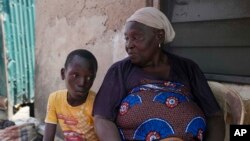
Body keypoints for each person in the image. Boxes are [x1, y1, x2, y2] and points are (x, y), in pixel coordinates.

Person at [93, 7, 225, 141]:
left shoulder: (187, 68)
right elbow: (102, 118)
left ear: (159, 36)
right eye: (126, 38)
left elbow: (215, 116)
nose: (129, 45)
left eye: (136, 37)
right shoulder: (120, 71)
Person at [43, 49, 99, 141]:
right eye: (75, 75)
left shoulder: (97, 102)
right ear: (63, 73)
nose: (82, 83)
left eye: (89, 77)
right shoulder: (55, 99)